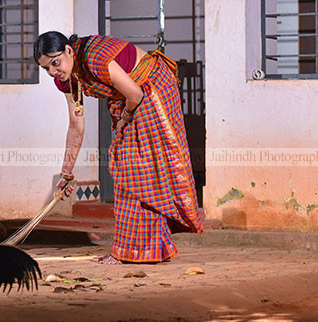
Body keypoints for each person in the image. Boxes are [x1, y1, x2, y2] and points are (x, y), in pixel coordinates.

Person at [34, 32, 202, 264]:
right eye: (46, 68)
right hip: (130, 99)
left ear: (69, 51)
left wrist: (125, 117)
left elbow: (135, 93)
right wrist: (66, 174)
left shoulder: (93, 58)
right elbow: (76, 126)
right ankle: (150, 249)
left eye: (55, 62)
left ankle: (129, 251)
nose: (53, 71)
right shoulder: (66, 80)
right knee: (134, 171)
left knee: (133, 169)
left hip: (152, 89)